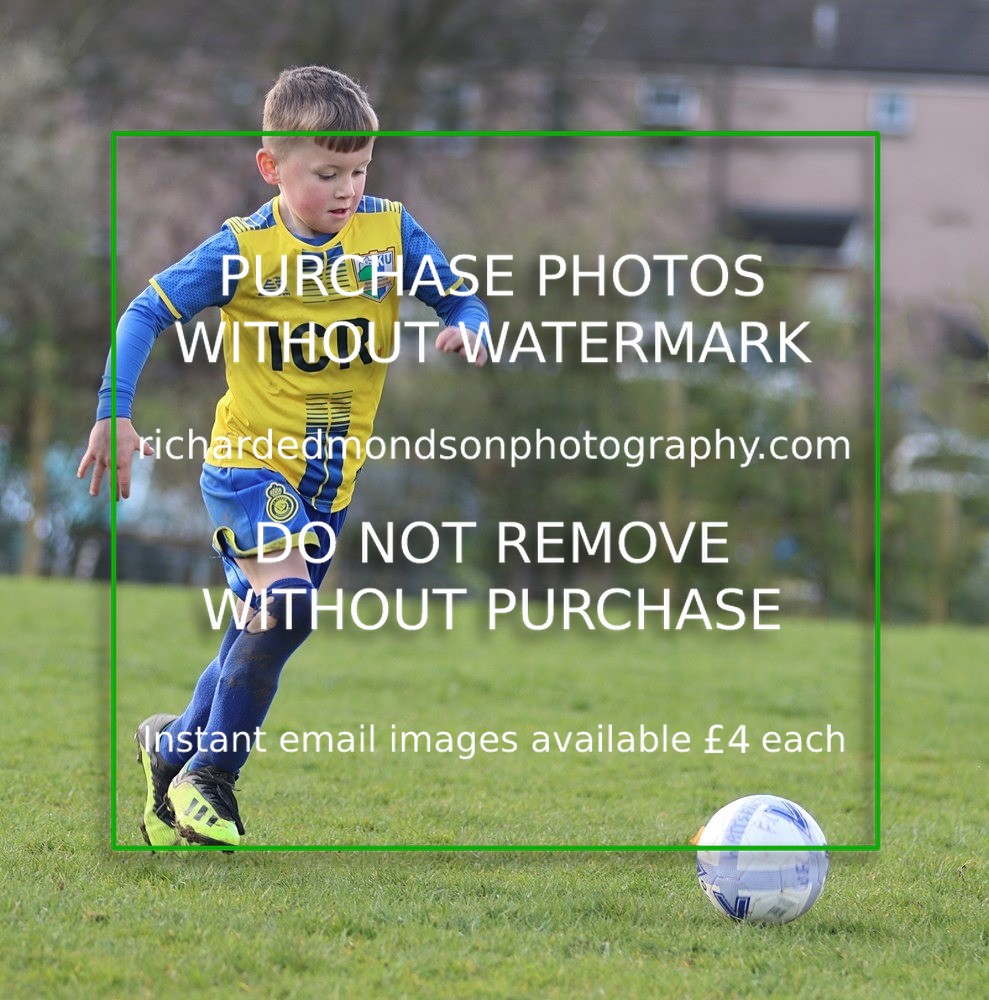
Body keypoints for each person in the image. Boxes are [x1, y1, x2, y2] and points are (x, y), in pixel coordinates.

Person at [77, 65, 489, 847]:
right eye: (326, 173)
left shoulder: (390, 231)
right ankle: (211, 780)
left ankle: (170, 748)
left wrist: (470, 323)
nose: (346, 189)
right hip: (248, 468)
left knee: (260, 627)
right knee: (289, 605)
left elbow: (460, 295)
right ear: (271, 167)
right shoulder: (243, 248)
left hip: (327, 489)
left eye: (359, 170)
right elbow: (142, 313)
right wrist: (114, 415)